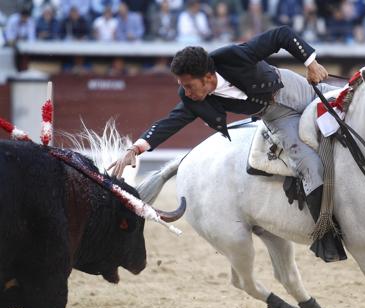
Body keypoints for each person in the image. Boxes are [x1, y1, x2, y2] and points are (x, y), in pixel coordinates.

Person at [109, 26, 345, 262]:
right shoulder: (192, 99)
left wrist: (310, 62)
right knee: (309, 164)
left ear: (208, 78)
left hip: (298, 89)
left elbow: (281, 34)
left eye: (189, 85)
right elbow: (170, 122)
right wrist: (136, 148)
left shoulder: (233, 56)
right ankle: (326, 234)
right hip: (278, 118)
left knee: (357, 104)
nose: (186, 92)